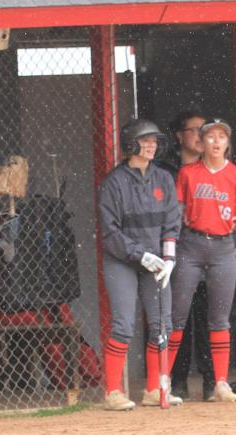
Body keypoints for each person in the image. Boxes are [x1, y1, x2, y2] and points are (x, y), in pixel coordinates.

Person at [167, 118, 236, 402]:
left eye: (222, 137)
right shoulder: (188, 174)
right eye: (210, 136)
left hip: (223, 247)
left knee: (220, 318)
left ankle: (221, 382)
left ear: (227, 143)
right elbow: (176, 216)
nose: (216, 142)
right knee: (177, 316)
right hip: (191, 245)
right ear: (202, 141)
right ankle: (163, 379)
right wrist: (170, 251)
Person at [98, 118, 182, 411]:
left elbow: (172, 221)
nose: (151, 145)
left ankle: (154, 389)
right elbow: (110, 234)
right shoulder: (113, 183)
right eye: (145, 140)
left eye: (154, 141)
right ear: (131, 144)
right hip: (123, 260)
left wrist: (168, 258)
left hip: (157, 261)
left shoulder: (163, 179)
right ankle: (112, 392)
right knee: (123, 324)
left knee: (163, 325)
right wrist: (141, 254)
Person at [160, 110, 216, 401]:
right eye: (193, 130)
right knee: (177, 319)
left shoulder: (216, 168)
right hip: (177, 251)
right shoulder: (166, 171)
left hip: (209, 251)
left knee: (208, 316)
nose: (199, 135)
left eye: (203, 129)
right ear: (180, 136)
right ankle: (177, 380)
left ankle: (211, 381)